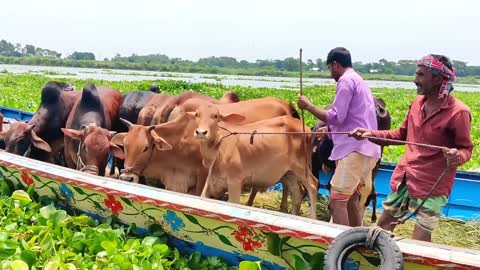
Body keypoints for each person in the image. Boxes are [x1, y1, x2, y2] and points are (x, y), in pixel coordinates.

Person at [351, 54, 473, 242]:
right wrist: (370, 134)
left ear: (438, 78)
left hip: (432, 184)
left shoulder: (459, 112)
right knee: (382, 227)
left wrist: (457, 156)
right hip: (405, 178)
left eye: (420, 75)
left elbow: (466, 149)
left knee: (420, 239)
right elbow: (400, 135)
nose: (415, 80)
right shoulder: (416, 104)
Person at [297, 47, 381, 227]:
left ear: (335, 64)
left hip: (353, 151)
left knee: (337, 203)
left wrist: (309, 106)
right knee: (350, 199)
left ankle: (341, 244)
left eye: (329, 68)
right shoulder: (359, 80)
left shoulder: (345, 81)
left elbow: (336, 116)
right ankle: (356, 240)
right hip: (368, 150)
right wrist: (329, 130)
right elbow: (355, 118)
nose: (331, 73)